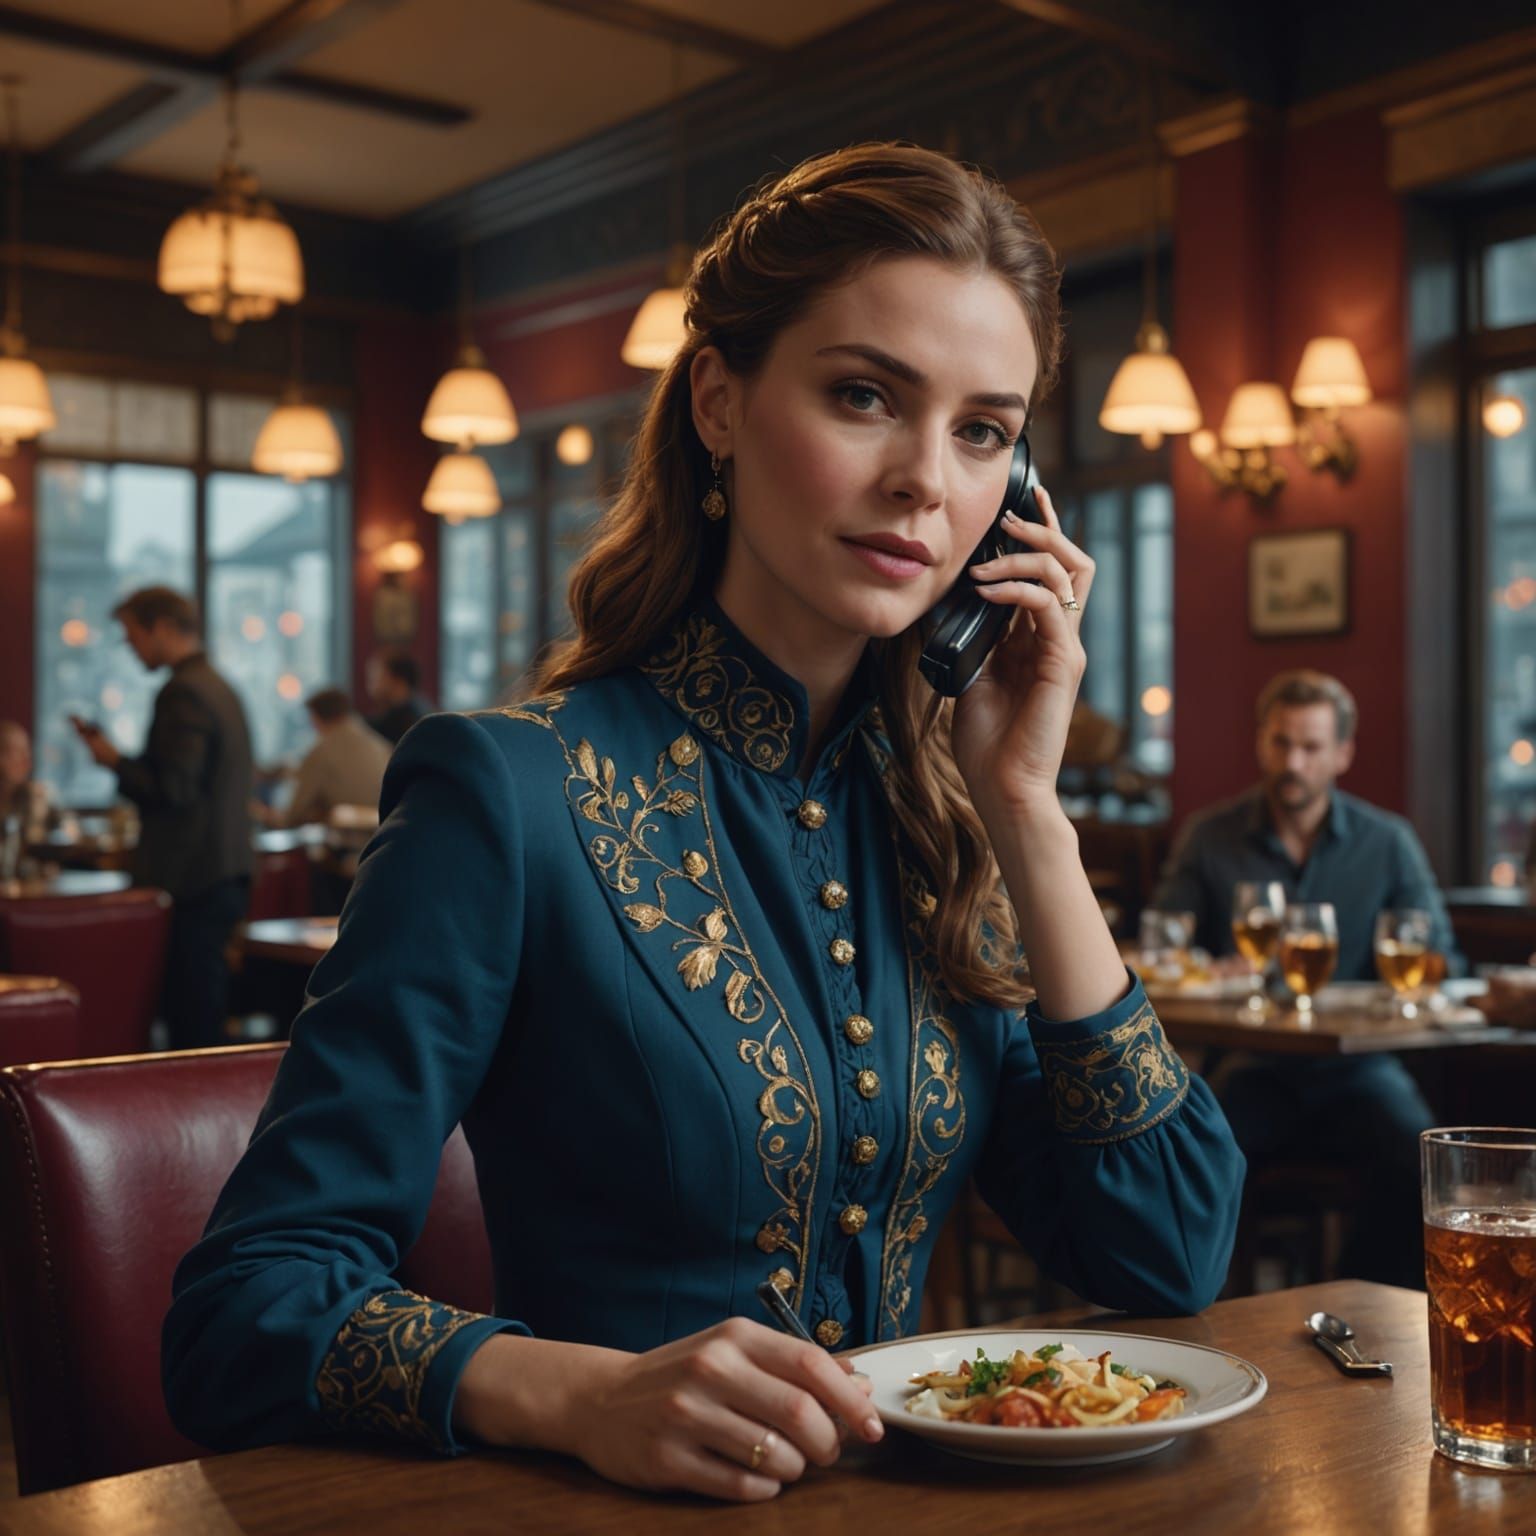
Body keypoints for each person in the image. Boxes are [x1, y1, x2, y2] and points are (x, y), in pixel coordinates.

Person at [163, 143, 1244, 1504]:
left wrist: (1026, 812)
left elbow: (1173, 1252)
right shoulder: (505, 791)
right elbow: (242, 1305)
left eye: (983, 431)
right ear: (720, 403)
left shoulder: (941, 819)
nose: (927, 479)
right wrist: (574, 1390)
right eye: (866, 396)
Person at [1151, 669, 1461, 1288]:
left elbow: (1443, 960)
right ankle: (1215, 1318)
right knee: (1192, 1161)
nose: (1293, 761)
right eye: (1280, 743)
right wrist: (1210, 969)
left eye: (1311, 747)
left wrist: (1414, 977)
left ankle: (1357, 1303)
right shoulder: (1211, 837)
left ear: (1343, 754)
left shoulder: (1387, 843)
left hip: (1357, 1069)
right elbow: (1166, 945)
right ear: (1260, 743)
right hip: (1253, 1063)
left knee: (1419, 1159)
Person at [73, 587, 254, 1051]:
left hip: (193, 878)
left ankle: (192, 1121)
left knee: (191, 1023)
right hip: (222, 873)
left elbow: (174, 789)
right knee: (203, 1014)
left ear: (164, 629)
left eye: (132, 635)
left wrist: (114, 761)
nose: (130, 647)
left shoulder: (184, 693)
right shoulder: (217, 686)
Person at [258, 688, 392, 830]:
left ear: (316, 719)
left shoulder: (321, 753)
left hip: (352, 844)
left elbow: (292, 817)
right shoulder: (380, 746)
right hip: (387, 838)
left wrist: (260, 813)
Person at [365, 652, 431, 745]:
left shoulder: (400, 721)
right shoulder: (422, 707)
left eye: (375, 676)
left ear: (399, 680)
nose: (370, 684)